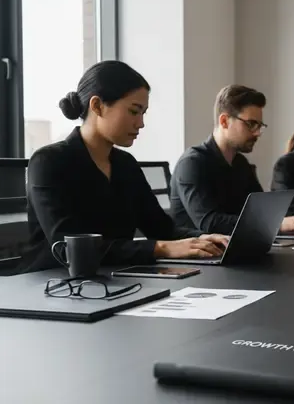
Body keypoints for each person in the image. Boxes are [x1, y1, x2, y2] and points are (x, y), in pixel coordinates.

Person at [18, 60, 229, 274]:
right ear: (97, 106)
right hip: (55, 284)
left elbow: (162, 228)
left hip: (116, 278)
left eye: (143, 113)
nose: (141, 123)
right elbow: (70, 248)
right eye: (134, 111)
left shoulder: (125, 164)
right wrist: (161, 248)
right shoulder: (48, 162)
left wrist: (201, 239)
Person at [169, 85, 294, 235]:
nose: (257, 133)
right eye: (251, 124)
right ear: (224, 121)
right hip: (199, 255)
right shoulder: (192, 163)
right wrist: (277, 224)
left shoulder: (240, 163)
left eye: (259, 126)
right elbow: (210, 222)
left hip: (236, 247)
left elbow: (263, 209)